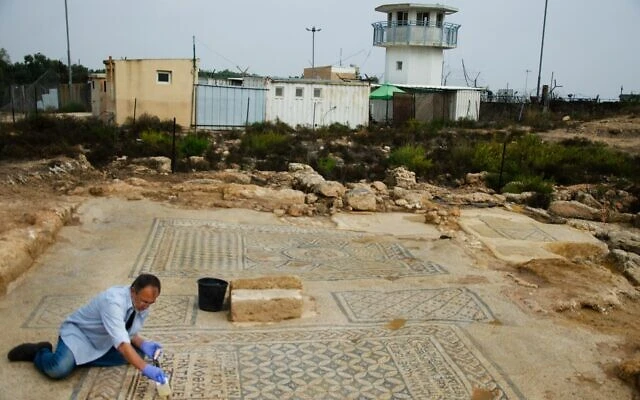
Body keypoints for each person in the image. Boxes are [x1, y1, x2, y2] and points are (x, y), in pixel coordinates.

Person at [7, 274, 167, 384]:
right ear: (133, 291)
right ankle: (40, 352)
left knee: (138, 354)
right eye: (143, 301)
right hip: (81, 335)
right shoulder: (113, 302)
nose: (145, 306)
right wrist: (145, 369)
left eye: (150, 303)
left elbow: (127, 331)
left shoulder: (142, 304)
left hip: (104, 339)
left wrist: (144, 344)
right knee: (58, 369)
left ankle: (77, 360)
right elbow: (123, 342)